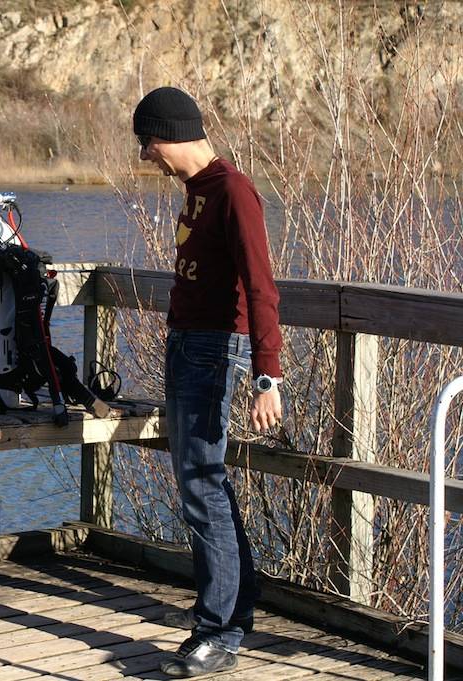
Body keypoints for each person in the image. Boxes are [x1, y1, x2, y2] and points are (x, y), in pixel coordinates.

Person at [132, 86, 283, 678]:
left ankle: (219, 633)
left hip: (216, 352)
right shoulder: (197, 192)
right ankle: (235, 609)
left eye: (146, 142)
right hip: (187, 346)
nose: (145, 155)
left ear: (169, 134)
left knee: (201, 486)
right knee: (205, 486)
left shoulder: (233, 192)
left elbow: (263, 288)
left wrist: (266, 374)